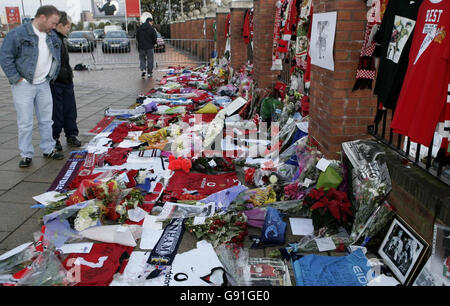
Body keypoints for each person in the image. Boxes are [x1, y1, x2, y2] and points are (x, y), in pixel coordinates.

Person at [0, 5, 63, 168]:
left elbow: (57, 56)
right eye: (53, 23)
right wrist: (16, 78)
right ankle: (26, 154)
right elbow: (5, 57)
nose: (54, 27)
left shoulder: (52, 35)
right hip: (23, 85)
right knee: (25, 122)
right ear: (42, 17)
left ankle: (48, 148)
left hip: (44, 84)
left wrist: (51, 76)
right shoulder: (17, 34)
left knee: (46, 120)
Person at [51, 11, 81, 151]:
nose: (69, 29)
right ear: (60, 25)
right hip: (56, 81)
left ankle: (71, 135)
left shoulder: (62, 38)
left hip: (66, 80)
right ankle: (54, 138)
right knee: (57, 112)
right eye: (68, 26)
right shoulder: (51, 39)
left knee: (70, 109)